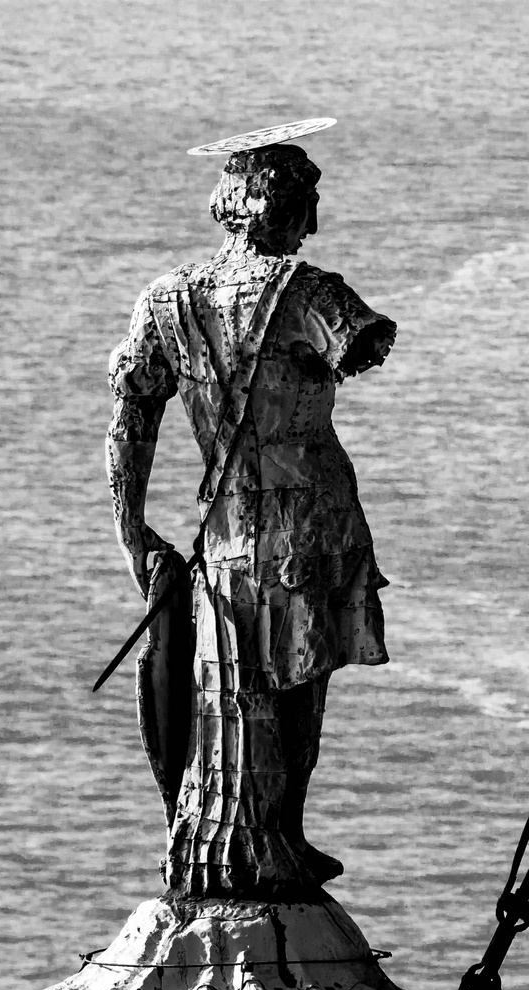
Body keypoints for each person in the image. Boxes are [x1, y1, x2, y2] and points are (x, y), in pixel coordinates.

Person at [107, 136, 395, 899]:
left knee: (234, 687)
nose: (316, 220)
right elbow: (363, 345)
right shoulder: (312, 293)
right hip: (308, 520)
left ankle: (253, 837)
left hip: (226, 528)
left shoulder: (167, 298)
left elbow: (132, 418)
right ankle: (276, 837)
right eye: (310, 200)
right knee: (299, 681)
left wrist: (130, 525)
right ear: (285, 205)